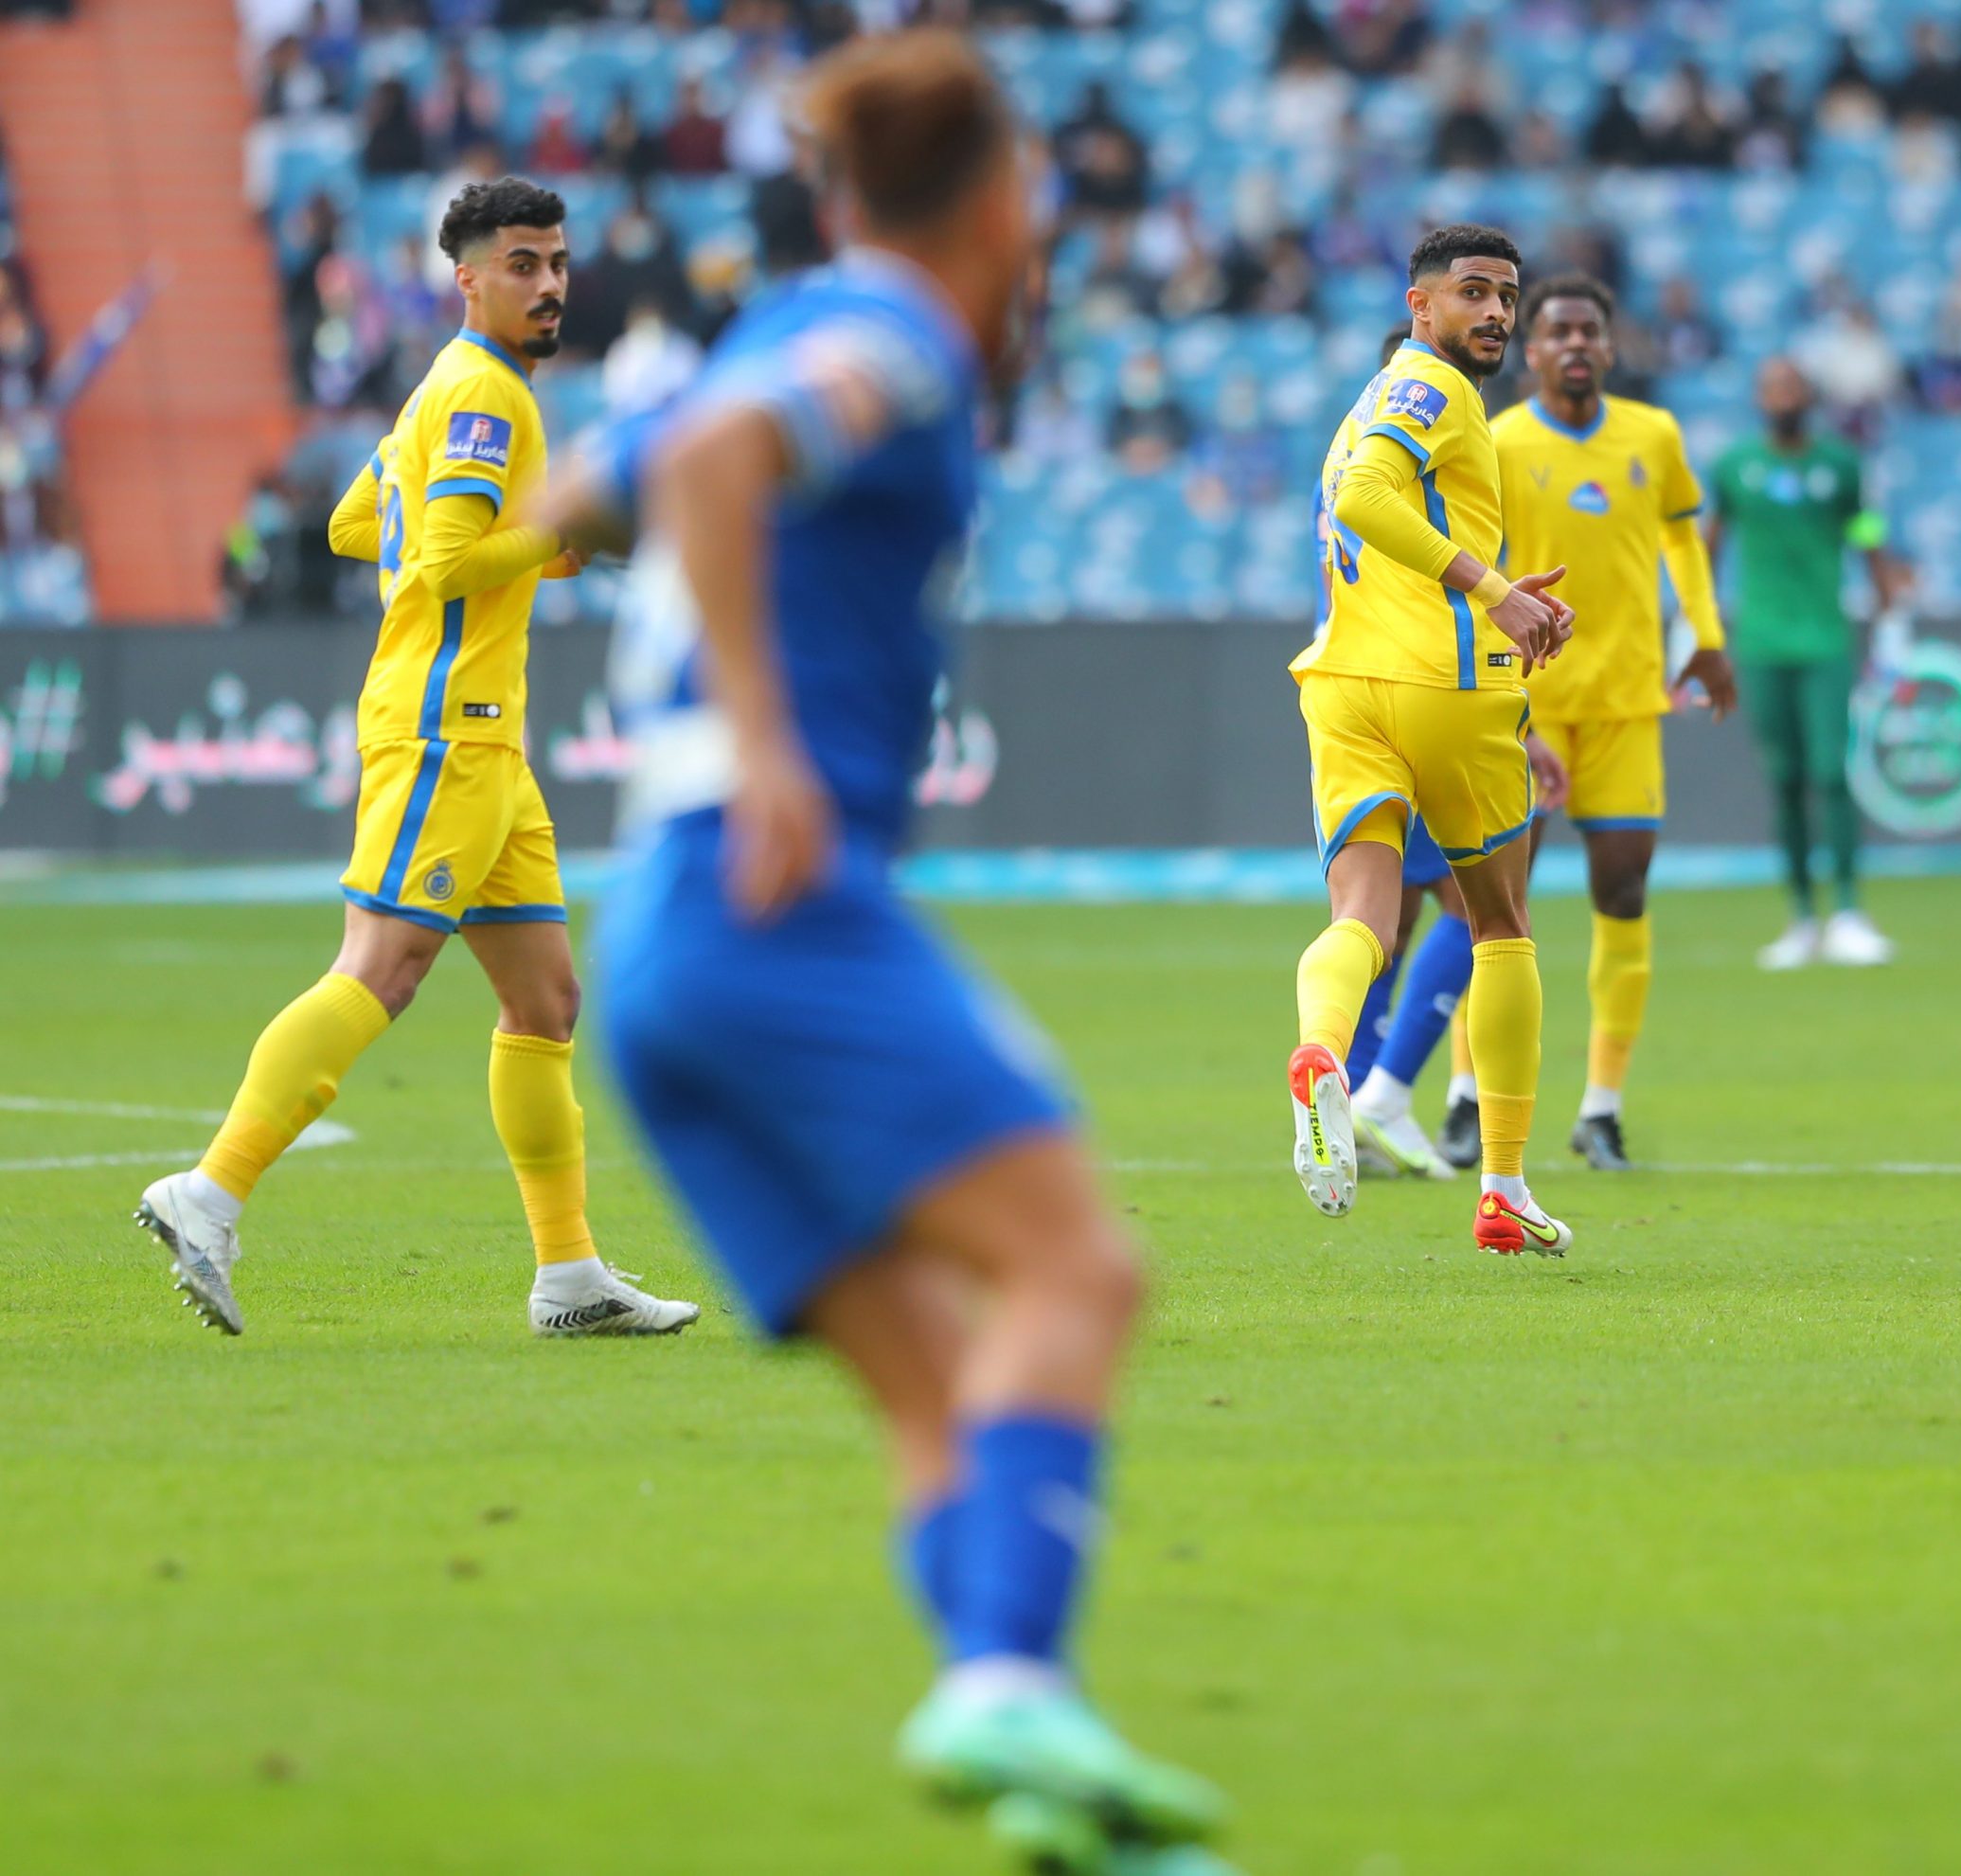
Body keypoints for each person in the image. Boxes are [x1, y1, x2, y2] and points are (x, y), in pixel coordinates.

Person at [541, 32, 1236, 1875]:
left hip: (661, 946)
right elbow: (708, 462)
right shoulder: (903, 339)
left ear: (842, 197)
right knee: (1076, 1273)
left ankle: (1045, 1772)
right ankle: (1011, 1677)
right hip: (775, 901)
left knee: (940, 1384)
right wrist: (770, 736)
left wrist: (649, 486)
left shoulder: (769, 328)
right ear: (1005, 204)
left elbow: (578, 499)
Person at [131, 178, 699, 1343]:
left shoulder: (439, 394)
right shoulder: (483, 394)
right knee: (382, 969)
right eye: (522, 265)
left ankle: (569, 1275)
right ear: (469, 279)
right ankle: (209, 1190)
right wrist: (569, 532)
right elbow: (439, 562)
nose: (547, 284)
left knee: (544, 999)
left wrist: (516, 542)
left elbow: (359, 524)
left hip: (489, 736)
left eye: (555, 262)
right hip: (447, 725)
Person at [1289, 223, 1578, 1257]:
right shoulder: (1432, 389)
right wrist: (1494, 592)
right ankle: (1501, 1185)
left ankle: (1323, 1056)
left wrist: (1484, 585)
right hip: (1445, 687)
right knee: (1498, 923)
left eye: (1506, 294)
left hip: (1343, 683)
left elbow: (1358, 504)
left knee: (1362, 912)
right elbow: (1370, 497)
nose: (1496, 312)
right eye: (1473, 293)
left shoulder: (1365, 401)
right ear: (1420, 307)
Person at [1472, 276, 1732, 1170]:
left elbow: (1683, 543)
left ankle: (1602, 1107)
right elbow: (1472, 572)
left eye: (1590, 330)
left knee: (1622, 891)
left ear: (1610, 350)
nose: (1575, 343)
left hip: (1627, 702)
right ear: (1531, 352)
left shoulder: (1652, 436)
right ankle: (1471, 1094)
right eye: (1557, 332)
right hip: (1529, 704)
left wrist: (1707, 635)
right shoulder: (1499, 443)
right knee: (1500, 905)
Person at [1707, 359, 1901, 970]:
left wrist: (1887, 597)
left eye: (1793, 387)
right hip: (1761, 642)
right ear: (1760, 398)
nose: (1783, 397)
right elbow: (1711, 542)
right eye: (1773, 387)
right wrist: (1697, 626)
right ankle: (1800, 918)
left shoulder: (1840, 465)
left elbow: (1865, 527)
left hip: (1824, 640)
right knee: (1785, 779)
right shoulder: (1735, 468)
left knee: (1832, 772)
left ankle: (1847, 911)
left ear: (1809, 398)